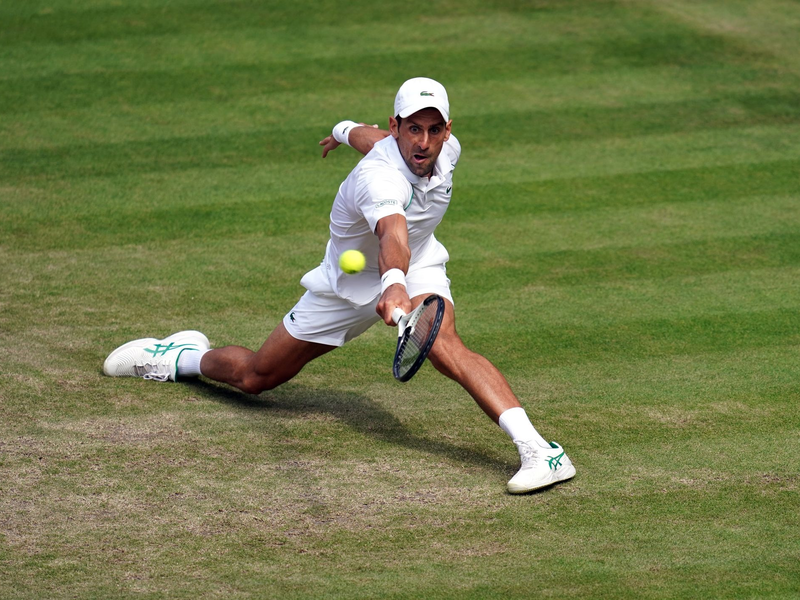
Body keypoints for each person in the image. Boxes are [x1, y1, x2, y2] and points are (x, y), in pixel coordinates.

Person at [103, 77, 575, 494]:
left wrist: (344, 129)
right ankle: (177, 356)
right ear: (397, 126)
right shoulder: (379, 179)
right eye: (413, 128)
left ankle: (540, 451)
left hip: (420, 263)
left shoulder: (444, 151)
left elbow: (370, 141)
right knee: (256, 377)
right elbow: (392, 231)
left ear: (448, 131)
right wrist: (392, 283)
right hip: (348, 283)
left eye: (434, 129)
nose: (424, 141)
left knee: (444, 345)